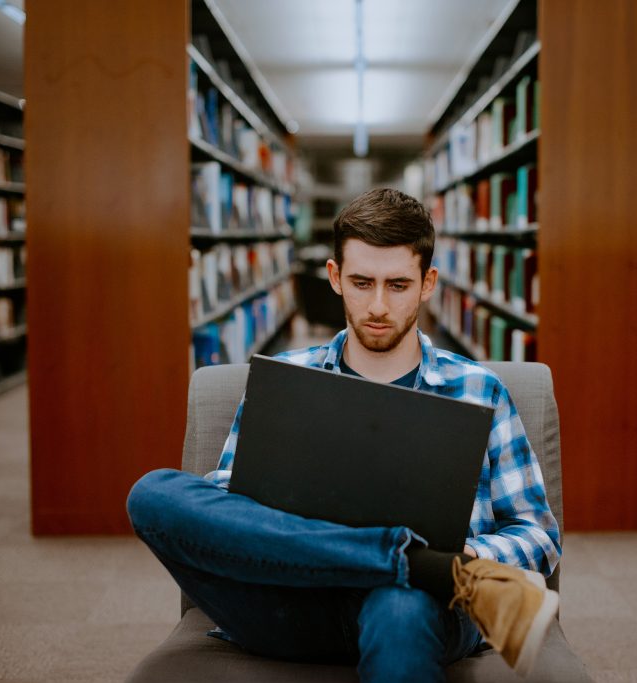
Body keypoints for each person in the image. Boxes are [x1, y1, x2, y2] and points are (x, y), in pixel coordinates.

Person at [127, 188, 562, 682]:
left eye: (397, 285)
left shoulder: (479, 390)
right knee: (153, 494)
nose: (377, 305)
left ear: (427, 283)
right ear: (335, 277)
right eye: (361, 282)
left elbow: (539, 535)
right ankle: (416, 562)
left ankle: (422, 574)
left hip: (414, 608)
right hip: (289, 600)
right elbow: (227, 500)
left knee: (400, 605)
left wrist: (471, 556)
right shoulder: (285, 381)